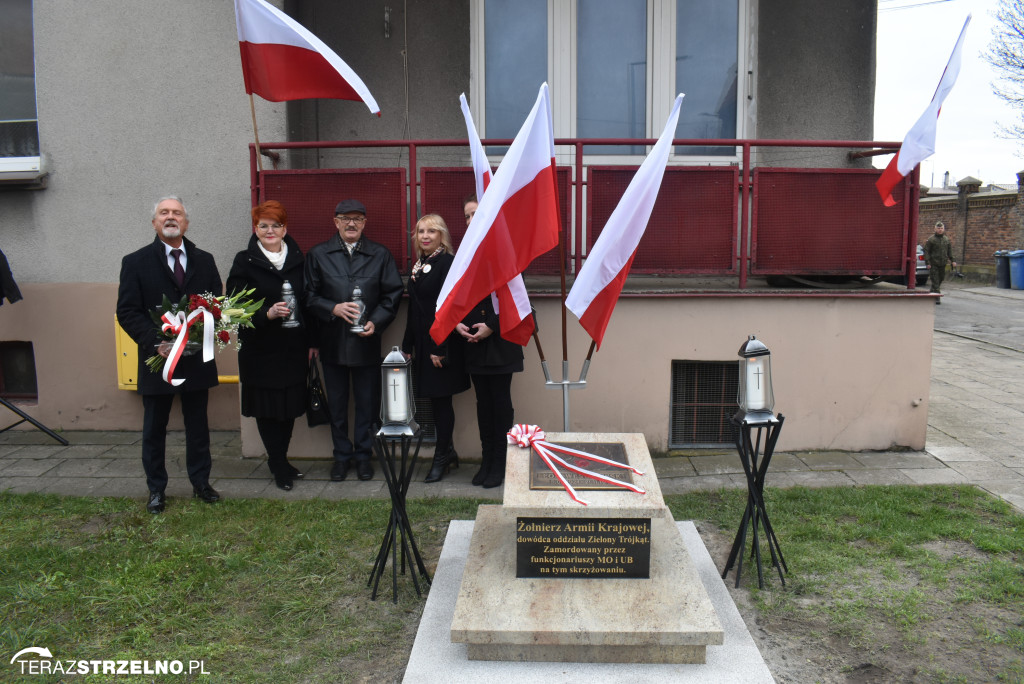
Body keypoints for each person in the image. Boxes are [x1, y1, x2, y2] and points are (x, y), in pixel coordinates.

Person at [116, 196, 223, 513]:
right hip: (158, 360)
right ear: (154, 223)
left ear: (186, 223)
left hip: (195, 360)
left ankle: (201, 483)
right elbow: (127, 311)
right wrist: (155, 342)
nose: (171, 217)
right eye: (164, 212)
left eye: (177, 213)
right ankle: (156, 490)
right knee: (154, 429)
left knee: (198, 426)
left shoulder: (204, 259)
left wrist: (201, 333)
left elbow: (216, 303)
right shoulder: (134, 262)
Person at [304, 199, 403, 482]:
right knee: (336, 405)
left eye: (357, 219)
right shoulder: (318, 254)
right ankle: (341, 457)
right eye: (346, 218)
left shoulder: (380, 255)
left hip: (366, 344)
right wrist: (332, 308)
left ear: (364, 223)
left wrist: (377, 321)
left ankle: (363, 457)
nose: (351, 224)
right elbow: (308, 295)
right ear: (335, 222)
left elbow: (392, 294)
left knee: (366, 404)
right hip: (332, 342)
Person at [226, 200, 309, 492]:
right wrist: (266, 314)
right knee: (267, 408)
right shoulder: (244, 261)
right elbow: (232, 309)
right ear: (255, 229)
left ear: (285, 229)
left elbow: (309, 301)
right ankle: (277, 464)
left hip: (292, 347)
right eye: (264, 226)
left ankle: (282, 460)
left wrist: (313, 341)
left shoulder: (300, 258)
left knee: (287, 407)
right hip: (260, 349)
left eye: (276, 225)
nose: (270, 230)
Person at [457, 195, 524, 489]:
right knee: (482, 405)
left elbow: (522, 304)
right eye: (467, 216)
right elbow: (455, 297)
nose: (470, 220)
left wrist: (492, 327)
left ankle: (501, 462)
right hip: (472, 343)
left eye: (476, 214)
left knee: (500, 404)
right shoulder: (465, 255)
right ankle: (486, 460)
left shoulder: (507, 254)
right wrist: (456, 322)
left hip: (500, 345)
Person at [401, 214, 470, 482]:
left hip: (441, 345)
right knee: (434, 399)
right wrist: (408, 345)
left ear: (442, 235)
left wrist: (438, 347)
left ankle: (441, 456)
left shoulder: (447, 264)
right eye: (421, 231)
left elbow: (448, 310)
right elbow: (415, 308)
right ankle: (449, 451)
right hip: (422, 344)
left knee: (441, 402)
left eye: (432, 231)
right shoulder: (420, 264)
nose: (425, 236)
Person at [924, 220, 956, 302]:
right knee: (935, 279)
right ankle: (937, 297)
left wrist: (953, 260)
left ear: (944, 229)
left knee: (941, 278)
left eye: (941, 228)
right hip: (933, 263)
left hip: (943, 263)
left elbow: (949, 251)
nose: (940, 230)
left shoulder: (946, 240)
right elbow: (926, 251)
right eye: (938, 228)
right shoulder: (931, 240)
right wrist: (928, 262)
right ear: (935, 229)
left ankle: (932, 291)